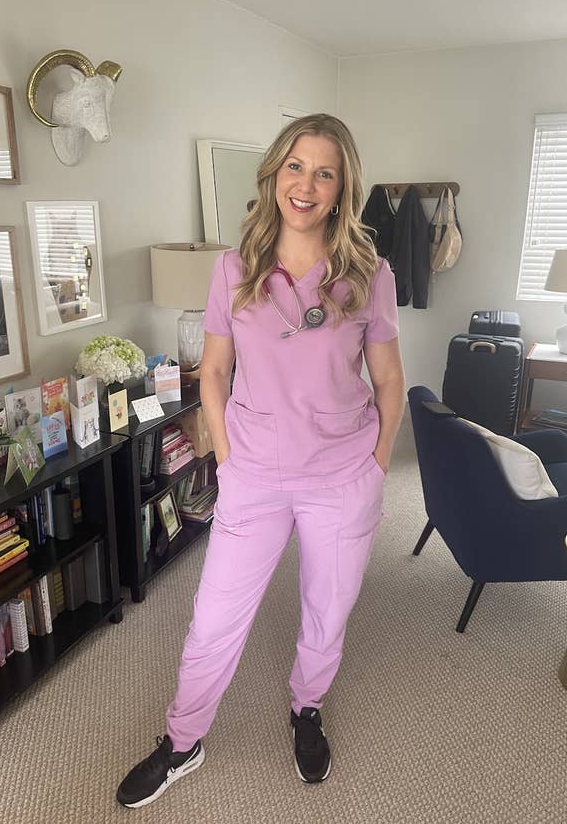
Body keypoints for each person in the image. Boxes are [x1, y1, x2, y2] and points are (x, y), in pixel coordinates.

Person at [117, 113, 405, 809]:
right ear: (275, 174)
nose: (305, 184)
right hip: (254, 476)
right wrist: (223, 453)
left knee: (325, 611)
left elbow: (389, 379)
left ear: (341, 189)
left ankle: (305, 708)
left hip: (342, 474)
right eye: (295, 167)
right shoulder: (234, 268)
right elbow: (212, 372)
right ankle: (182, 740)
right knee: (214, 618)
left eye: (324, 172)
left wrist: (376, 463)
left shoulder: (369, 273)